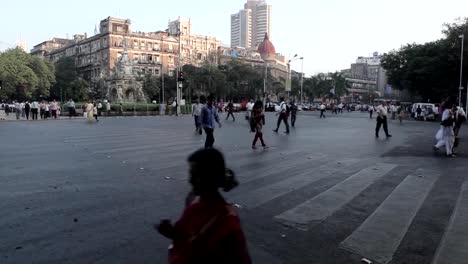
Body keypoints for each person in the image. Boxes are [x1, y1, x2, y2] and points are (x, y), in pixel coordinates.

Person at [156, 148, 251, 264]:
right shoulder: (194, 206)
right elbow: (186, 237)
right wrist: (171, 232)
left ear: (210, 177)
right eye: (191, 174)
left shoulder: (228, 224)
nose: (190, 180)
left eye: (195, 175)